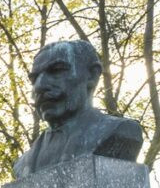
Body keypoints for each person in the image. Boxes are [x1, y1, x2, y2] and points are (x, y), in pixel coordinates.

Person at [13, 40, 143, 179]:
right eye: (34, 79)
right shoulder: (22, 164)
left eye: (56, 70)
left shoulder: (122, 131)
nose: (39, 86)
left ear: (91, 75)